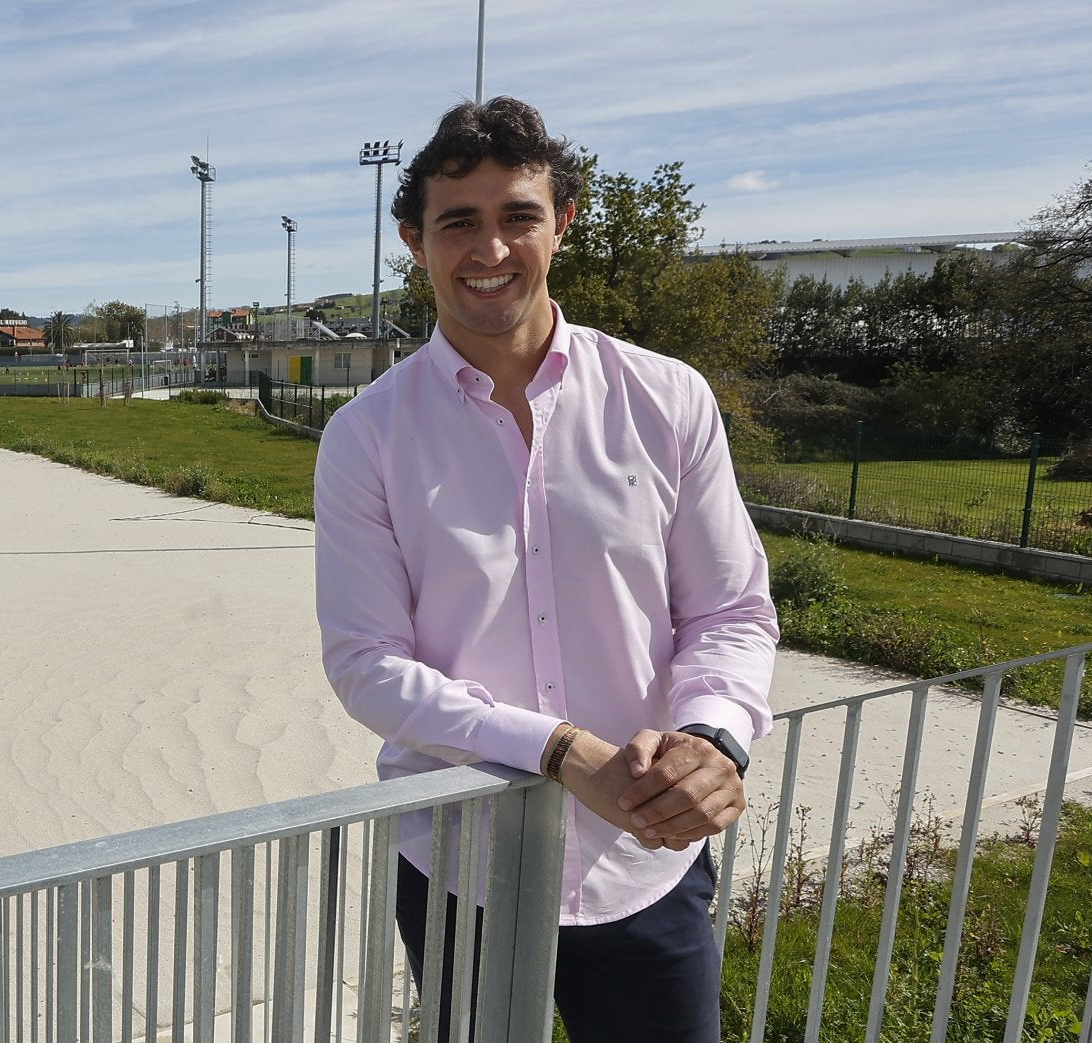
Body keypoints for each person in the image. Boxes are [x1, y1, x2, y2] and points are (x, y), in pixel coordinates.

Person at [313, 96, 778, 1042]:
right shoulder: (366, 436)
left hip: (645, 855)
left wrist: (712, 739)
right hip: (461, 864)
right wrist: (563, 751)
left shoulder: (666, 396)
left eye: (517, 216)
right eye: (459, 223)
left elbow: (729, 609)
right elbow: (367, 663)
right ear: (416, 240)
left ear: (560, 224)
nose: (490, 249)